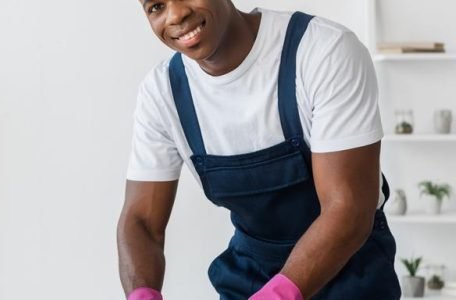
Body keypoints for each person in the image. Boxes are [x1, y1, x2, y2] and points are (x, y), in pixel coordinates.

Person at [116, 1, 402, 299]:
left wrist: (277, 295)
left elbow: (349, 209)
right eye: (156, 6)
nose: (175, 15)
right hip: (249, 275)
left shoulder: (323, 50)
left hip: (351, 273)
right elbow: (142, 222)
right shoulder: (163, 92)